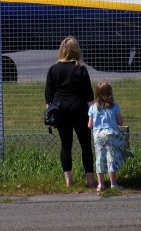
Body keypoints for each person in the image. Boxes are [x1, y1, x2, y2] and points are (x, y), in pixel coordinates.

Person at [45, 36, 96, 188]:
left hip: (61, 110)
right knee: (86, 145)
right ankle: (90, 180)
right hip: (79, 108)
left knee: (66, 145)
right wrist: (94, 113)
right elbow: (89, 96)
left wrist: (50, 111)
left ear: (61, 51)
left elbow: (48, 96)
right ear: (76, 51)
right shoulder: (80, 68)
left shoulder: (53, 69)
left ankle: (68, 180)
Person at [88, 81, 126, 191]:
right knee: (111, 158)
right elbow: (120, 122)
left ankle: (100, 184)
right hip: (111, 135)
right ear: (110, 93)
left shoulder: (93, 108)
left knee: (100, 158)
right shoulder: (114, 107)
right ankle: (113, 184)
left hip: (98, 136)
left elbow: (89, 125)